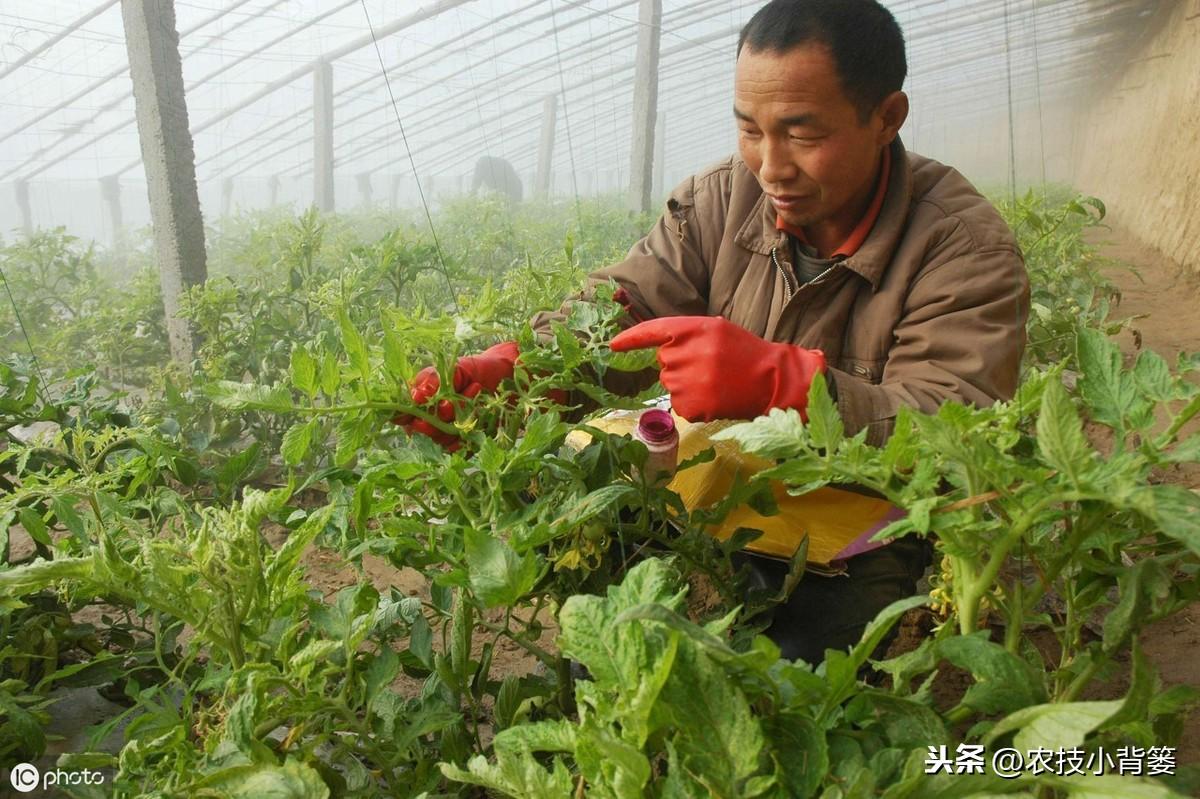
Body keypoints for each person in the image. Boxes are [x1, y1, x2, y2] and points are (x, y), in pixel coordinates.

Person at [401, 0, 1029, 664]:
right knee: (609, 601)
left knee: (805, 661)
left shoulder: (962, 248)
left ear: (886, 117)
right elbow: (627, 304)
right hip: (715, 482)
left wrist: (791, 387)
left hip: (854, 519)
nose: (770, 166)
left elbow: (956, 430)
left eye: (802, 134)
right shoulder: (719, 201)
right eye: (750, 129)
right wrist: (525, 373)